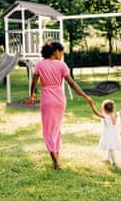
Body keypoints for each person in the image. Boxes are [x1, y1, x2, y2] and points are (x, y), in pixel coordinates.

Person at [30, 42, 95, 170]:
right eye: (61, 52)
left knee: (48, 130)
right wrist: (85, 95)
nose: (61, 55)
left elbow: (34, 82)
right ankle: (57, 159)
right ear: (55, 52)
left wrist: (32, 94)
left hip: (47, 100)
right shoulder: (62, 65)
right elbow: (71, 83)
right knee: (56, 129)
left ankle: (55, 161)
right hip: (60, 100)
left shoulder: (39, 64)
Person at [92, 100, 121, 166]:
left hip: (107, 133)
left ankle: (114, 161)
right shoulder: (116, 114)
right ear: (113, 108)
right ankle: (108, 158)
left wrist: (92, 105)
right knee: (111, 146)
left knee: (111, 147)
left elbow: (96, 113)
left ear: (104, 109)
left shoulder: (103, 115)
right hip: (114, 133)